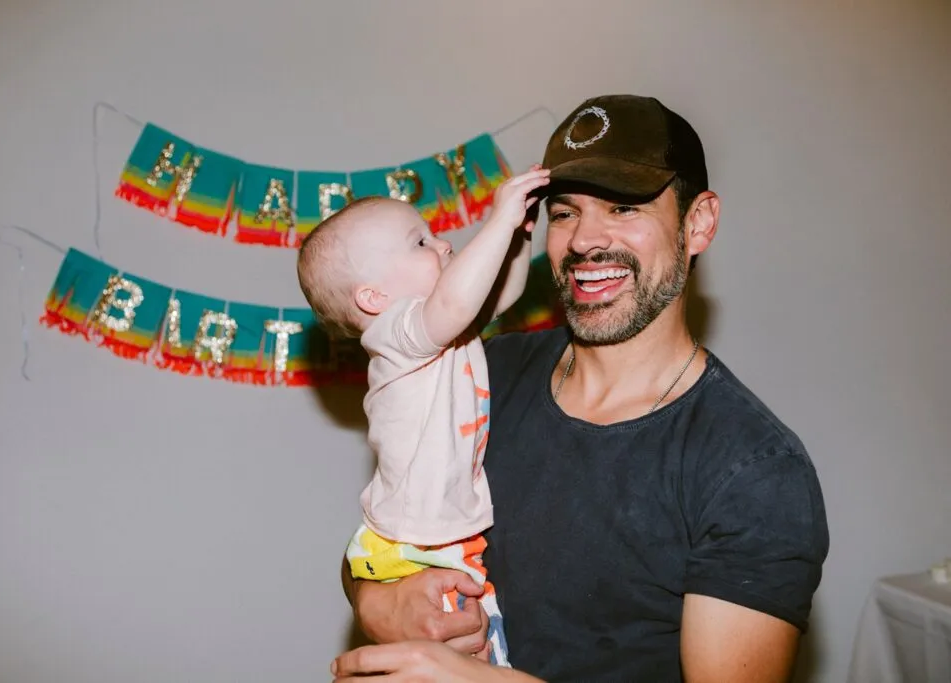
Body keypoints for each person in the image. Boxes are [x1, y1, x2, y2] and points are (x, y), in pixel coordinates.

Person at [331, 95, 830, 682]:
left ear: (698, 223)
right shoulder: (482, 371)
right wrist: (376, 599)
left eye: (623, 208)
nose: (586, 240)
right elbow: (388, 534)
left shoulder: (753, 468)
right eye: (564, 213)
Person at [296, 165, 552, 667]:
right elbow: (457, 299)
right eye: (419, 244)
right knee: (470, 655)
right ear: (374, 298)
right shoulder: (395, 336)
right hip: (419, 542)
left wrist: (518, 237)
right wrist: (497, 221)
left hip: (443, 533)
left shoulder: (437, 330)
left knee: (478, 652)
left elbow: (500, 294)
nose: (443, 245)